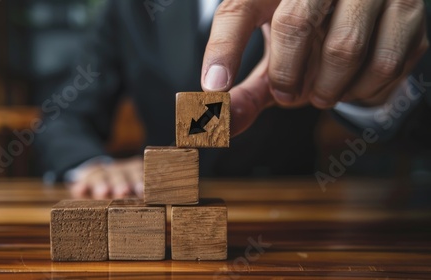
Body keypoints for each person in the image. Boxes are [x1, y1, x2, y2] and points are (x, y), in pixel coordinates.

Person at [35, 0, 430, 199]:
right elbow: (64, 116)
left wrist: (374, 86)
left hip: (292, 216)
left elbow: (416, 127)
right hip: (160, 207)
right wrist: (93, 166)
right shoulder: (129, 8)